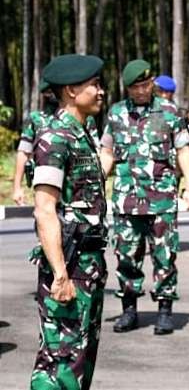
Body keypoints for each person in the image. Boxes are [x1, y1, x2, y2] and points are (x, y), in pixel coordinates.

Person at [29, 53, 108, 390]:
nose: (101, 91)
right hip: (70, 263)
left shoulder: (82, 132)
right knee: (59, 361)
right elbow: (44, 208)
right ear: (72, 90)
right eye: (94, 85)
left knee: (79, 358)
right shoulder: (55, 136)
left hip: (89, 262)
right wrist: (60, 274)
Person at [100, 59, 189, 335]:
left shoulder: (168, 111)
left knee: (165, 257)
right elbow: (107, 152)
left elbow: (183, 150)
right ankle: (129, 310)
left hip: (161, 200)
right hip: (126, 201)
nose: (142, 90)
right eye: (136, 87)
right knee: (126, 257)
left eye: (145, 84)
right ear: (127, 88)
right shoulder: (116, 113)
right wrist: (98, 180)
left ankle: (165, 310)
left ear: (152, 82)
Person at [14, 80, 99, 205]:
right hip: (48, 183)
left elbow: (97, 152)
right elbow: (24, 152)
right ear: (44, 94)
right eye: (48, 92)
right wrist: (17, 187)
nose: (52, 95)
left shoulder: (85, 119)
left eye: (54, 91)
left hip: (79, 190)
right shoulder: (36, 119)